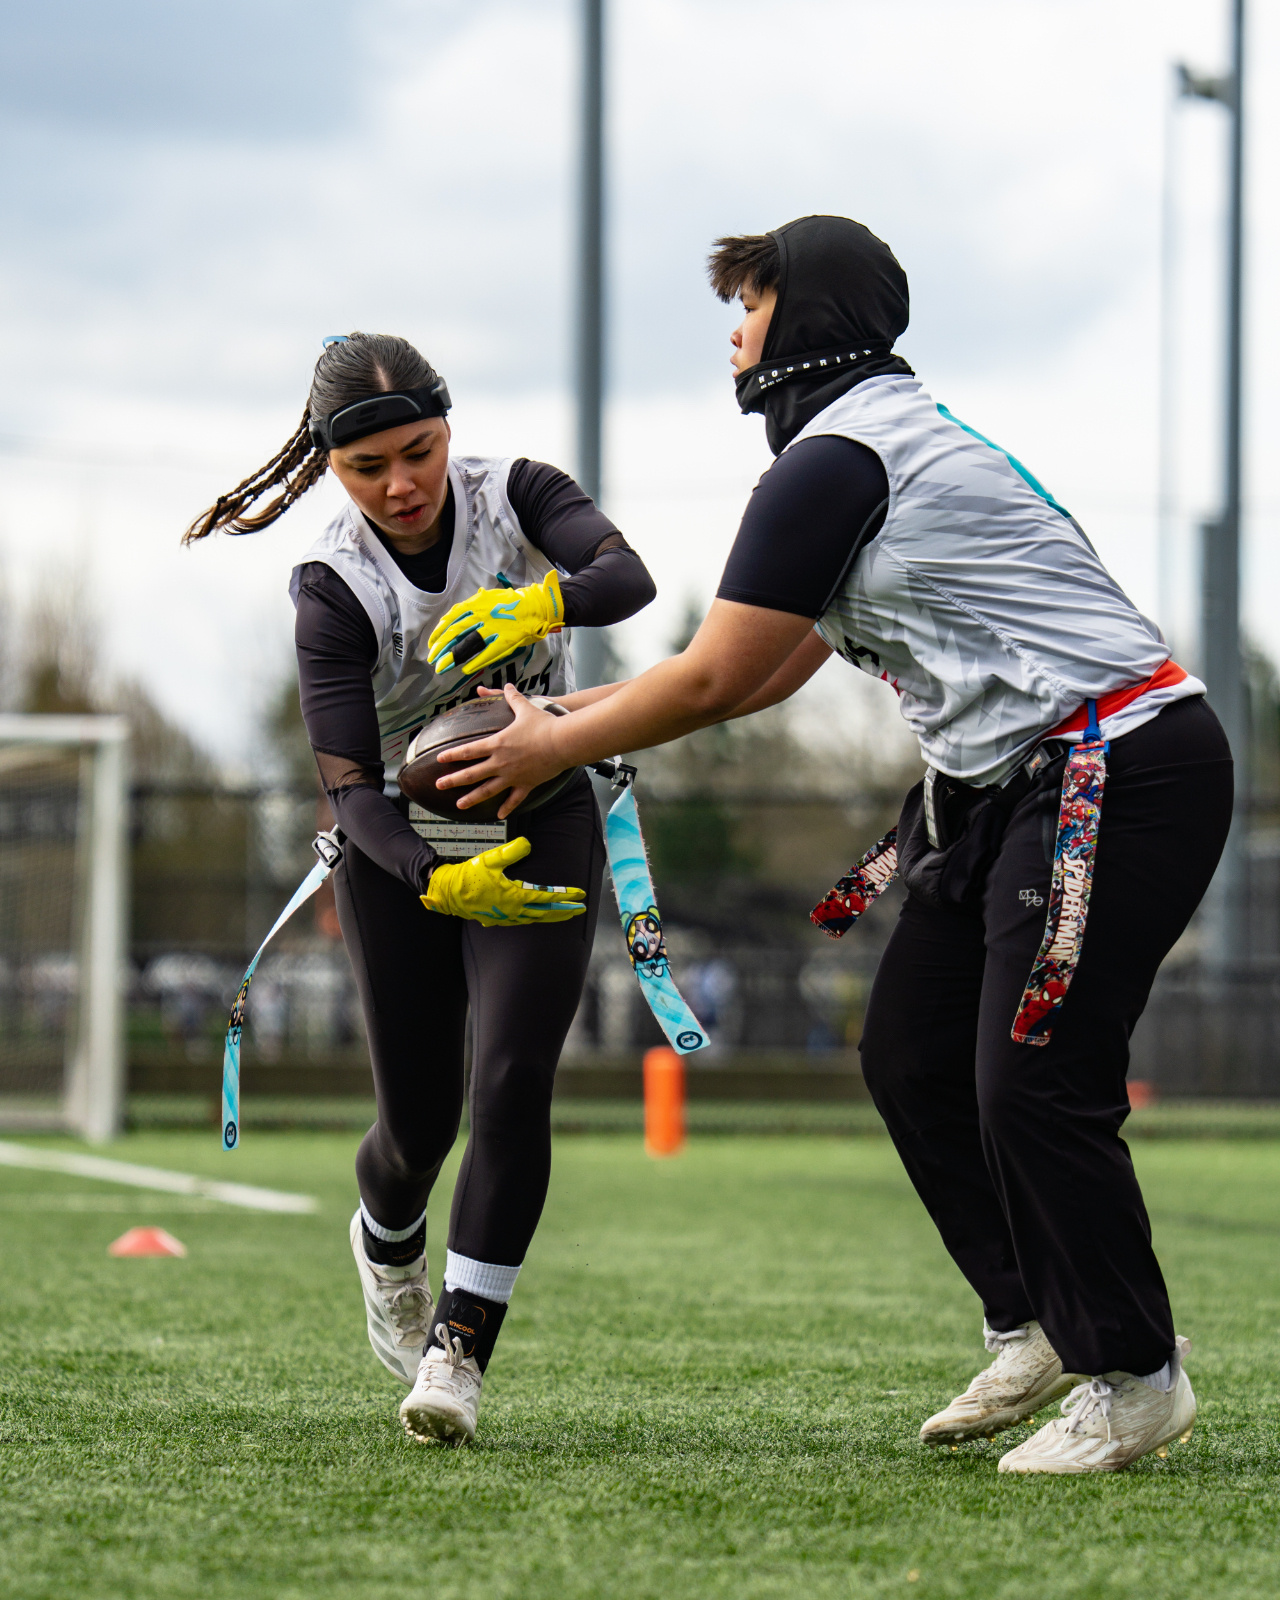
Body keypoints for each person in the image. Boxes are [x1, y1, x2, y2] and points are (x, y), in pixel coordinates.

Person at [434, 216, 1233, 1474]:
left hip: (1115, 768)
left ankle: (1133, 1374)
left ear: (805, 316)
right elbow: (757, 671)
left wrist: (551, 745)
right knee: (909, 1053)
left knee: (1031, 1078)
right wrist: (560, 718)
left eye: (749, 305)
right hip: (1001, 785)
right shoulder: (865, 447)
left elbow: (712, 677)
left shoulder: (837, 460)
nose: (733, 335)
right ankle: (1030, 1319)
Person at [185, 331, 655, 1444]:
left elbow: (626, 578)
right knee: (417, 1125)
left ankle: (458, 1352)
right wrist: (432, 875)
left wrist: (545, 605)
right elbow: (350, 792)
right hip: (400, 841)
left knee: (511, 1081)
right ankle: (386, 1240)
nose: (402, 483)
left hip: (539, 805)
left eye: (421, 450)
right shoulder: (333, 586)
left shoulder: (517, 493)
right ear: (330, 468)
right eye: (368, 467)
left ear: (448, 431)